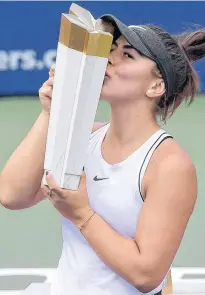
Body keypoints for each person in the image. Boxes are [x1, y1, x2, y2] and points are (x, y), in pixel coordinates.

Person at [0, 14, 205, 295]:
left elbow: (145, 274)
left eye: (128, 55)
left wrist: (83, 215)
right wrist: (52, 111)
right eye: (110, 50)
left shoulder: (169, 165)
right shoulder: (84, 137)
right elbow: (12, 195)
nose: (109, 59)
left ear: (155, 86)